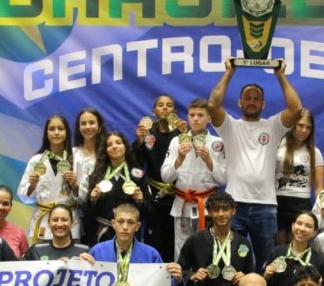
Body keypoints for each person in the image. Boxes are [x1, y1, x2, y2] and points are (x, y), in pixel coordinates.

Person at [207, 57, 303, 268]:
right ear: (239, 102)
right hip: (234, 203)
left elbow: (296, 109)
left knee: (267, 262)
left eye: (256, 98)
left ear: (263, 104)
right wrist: (229, 73)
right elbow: (212, 105)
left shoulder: (273, 126)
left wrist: (280, 75)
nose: (252, 101)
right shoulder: (230, 126)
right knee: (229, 260)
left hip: (265, 205)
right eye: (247, 98)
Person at [175, 191, 254, 286]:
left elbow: (251, 275)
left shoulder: (243, 243)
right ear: (209, 212)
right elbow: (180, 270)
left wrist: (245, 278)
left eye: (225, 209)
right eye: (216, 210)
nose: (221, 214)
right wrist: (192, 276)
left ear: (233, 210)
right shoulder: (195, 240)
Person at [161, 98, 227, 259]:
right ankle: (182, 275)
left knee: (207, 247)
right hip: (182, 204)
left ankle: (205, 275)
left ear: (209, 118)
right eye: (192, 115)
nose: (196, 119)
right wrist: (179, 160)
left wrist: (209, 161)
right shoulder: (177, 141)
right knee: (181, 248)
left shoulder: (217, 143)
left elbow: (223, 179)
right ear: (187, 117)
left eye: (200, 115)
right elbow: (166, 177)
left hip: (207, 206)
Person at [134, 92, 183, 262]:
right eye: (160, 105)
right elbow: (137, 165)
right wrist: (140, 141)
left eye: (169, 105)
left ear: (174, 111)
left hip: (179, 195)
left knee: (175, 240)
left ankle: (176, 274)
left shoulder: (181, 133)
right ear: (153, 111)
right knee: (154, 239)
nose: (165, 108)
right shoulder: (149, 134)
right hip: (155, 196)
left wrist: (187, 137)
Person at [82, 131, 151, 244]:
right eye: (109, 145)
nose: (114, 146)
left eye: (118, 143)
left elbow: (149, 210)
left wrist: (140, 201)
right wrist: (93, 200)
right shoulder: (97, 175)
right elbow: (88, 212)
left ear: (125, 146)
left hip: (128, 232)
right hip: (103, 233)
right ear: (105, 150)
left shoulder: (137, 175)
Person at [18, 114, 78, 243]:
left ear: (67, 132)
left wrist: (75, 186)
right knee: (42, 255)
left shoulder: (76, 159)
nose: (56, 133)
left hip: (68, 221)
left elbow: (85, 198)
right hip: (43, 220)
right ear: (46, 133)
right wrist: (32, 186)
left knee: (70, 255)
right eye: (52, 129)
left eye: (60, 129)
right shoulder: (36, 160)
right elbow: (23, 197)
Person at [275, 107, 323, 242]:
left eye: (308, 128)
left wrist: (321, 206)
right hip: (277, 201)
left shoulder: (314, 152)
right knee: (279, 247)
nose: (304, 130)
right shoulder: (278, 146)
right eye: (301, 125)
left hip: (301, 203)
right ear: (293, 125)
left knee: (298, 245)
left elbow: (319, 186)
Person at [264, 211, 324, 286]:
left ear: (314, 233)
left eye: (308, 226)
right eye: (299, 223)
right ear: (293, 226)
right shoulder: (276, 253)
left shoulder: (318, 259)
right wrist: (266, 277)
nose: (302, 228)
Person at [73, 107, 108, 246]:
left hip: (99, 216)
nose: (87, 127)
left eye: (92, 122)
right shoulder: (72, 153)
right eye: (83, 123)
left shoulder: (107, 153)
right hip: (74, 214)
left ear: (99, 125)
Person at [0, 185, 29, 258]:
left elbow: (27, 261)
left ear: (10, 207)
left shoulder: (19, 233)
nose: (0, 207)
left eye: (5, 204)